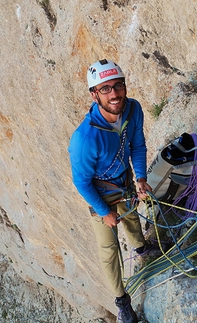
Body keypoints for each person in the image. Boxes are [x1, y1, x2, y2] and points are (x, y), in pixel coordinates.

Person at [68, 59, 154, 323]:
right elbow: (82, 182)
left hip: (124, 181)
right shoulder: (85, 139)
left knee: (131, 216)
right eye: (105, 89)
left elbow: (138, 145)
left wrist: (140, 177)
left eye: (118, 86)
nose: (114, 94)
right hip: (101, 193)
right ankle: (121, 301)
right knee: (109, 248)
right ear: (94, 95)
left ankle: (141, 248)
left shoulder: (133, 109)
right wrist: (104, 212)